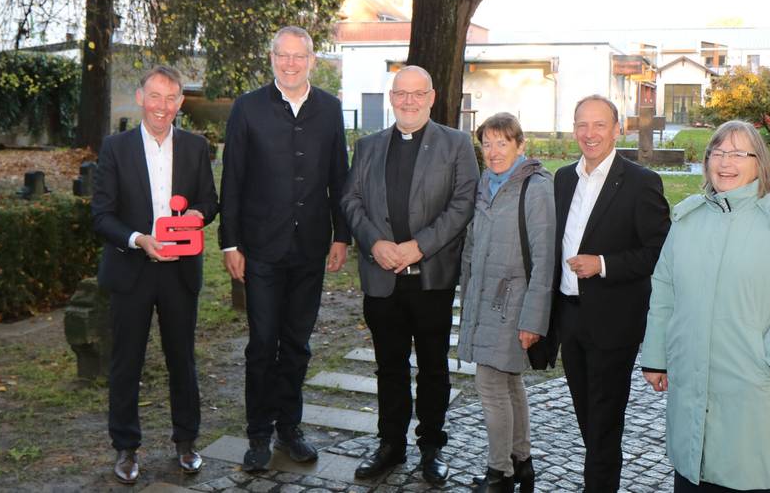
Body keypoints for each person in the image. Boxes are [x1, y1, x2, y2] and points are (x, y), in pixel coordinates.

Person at [640, 120, 770, 492]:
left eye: (738, 153)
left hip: (753, 393)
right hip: (692, 386)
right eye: (718, 152)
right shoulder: (688, 219)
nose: (725, 162)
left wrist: (768, 358)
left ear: (759, 162)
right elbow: (664, 290)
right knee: (695, 475)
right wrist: (656, 356)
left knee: (748, 475)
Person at [219, 26, 351, 472]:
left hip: (310, 247)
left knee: (297, 344)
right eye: (282, 56)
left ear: (312, 60)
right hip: (260, 248)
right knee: (262, 344)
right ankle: (258, 433)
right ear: (271, 58)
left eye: (299, 56)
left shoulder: (331, 110)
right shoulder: (248, 108)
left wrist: (342, 235)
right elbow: (232, 178)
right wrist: (230, 243)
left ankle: (289, 428)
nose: (290, 64)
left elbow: (340, 176)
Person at [340, 65, 478, 485]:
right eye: (401, 93)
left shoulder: (455, 144)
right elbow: (351, 200)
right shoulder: (367, 147)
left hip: (430, 277)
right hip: (382, 276)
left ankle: (432, 446)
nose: (409, 101)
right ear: (391, 97)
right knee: (389, 366)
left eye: (417, 94)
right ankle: (390, 444)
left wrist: (419, 245)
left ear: (432, 97)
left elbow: (463, 203)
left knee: (434, 366)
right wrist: (374, 244)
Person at [91, 65, 218, 485]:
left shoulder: (196, 147)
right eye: (155, 97)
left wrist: (200, 214)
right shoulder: (115, 148)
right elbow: (102, 215)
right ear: (141, 98)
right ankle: (126, 448)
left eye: (171, 98)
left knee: (182, 359)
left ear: (181, 102)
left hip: (180, 272)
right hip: (132, 270)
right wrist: (138, 239)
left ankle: (186, 442)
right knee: (127, 362)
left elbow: (209, 201)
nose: (163, 106)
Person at [552, 95, 671, 493]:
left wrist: (602, 263)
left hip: (613, 319)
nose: (590, 134)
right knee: (587, 414)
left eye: (599, 125)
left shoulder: (640, 182)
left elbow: (659, 252)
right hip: (569, 316)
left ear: (617, 129)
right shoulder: (564, 178)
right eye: (582, 125)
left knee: (604, 418)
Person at [457, 113, 555, 493]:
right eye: (487, 144)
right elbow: (474, 242)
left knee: (490, 385)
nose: (494, 152)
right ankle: (521, 462)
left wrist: (533, 320)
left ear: (520, 145)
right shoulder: (486, 183)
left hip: (514, 304)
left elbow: (544, 259)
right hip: (485, 300)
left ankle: (499, 474)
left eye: (502, 143)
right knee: (510, 383)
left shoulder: (535, 187)